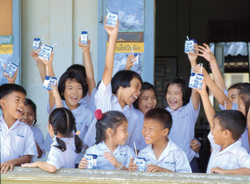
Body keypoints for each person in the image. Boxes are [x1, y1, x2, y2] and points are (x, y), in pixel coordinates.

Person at [84, 17, 142, 148]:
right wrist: (113, 36)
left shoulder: (133, 117)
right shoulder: (105, 99)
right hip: (94, 159)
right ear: (121, 85)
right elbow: (108, 68)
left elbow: (133, 145)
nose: (138, 93)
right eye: (136, 87)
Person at [41, 53, 94, 165]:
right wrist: (49, 64)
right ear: (61, 91)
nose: (75, 92)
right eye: (70, 88)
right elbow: (52, 87)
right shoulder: (56, 106)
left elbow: (91, 142)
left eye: (79, 88)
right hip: (56, 161)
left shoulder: (88, 114)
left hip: (79, 163)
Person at [196, 81, 250, 174]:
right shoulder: (217, 145)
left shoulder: (239, 152)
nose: (211, 131)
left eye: (214, 128)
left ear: (226, 133)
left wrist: (225, 172)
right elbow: (210, 118)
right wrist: (203, 93)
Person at [128, 108, 191, 173]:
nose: (145, 132)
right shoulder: (143, 154)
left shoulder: (177, 154)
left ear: (164, 132)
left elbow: (187, 179)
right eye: (144, 127)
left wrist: (164, 171)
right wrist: (133, 170)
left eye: (150, 129)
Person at [22, 108, 82, 172]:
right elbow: (65, 118)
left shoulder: (56, 147)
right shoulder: (73, 141)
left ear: (51, 127)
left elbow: (52, 168)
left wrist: (37, 163)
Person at [197, 43, 250, 110]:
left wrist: (205, 76)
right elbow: (221, 90)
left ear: (245, 98)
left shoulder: (238, 109)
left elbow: (223, 101)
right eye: (228, 98)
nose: (229, 100)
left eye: (233, 97)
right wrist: (212, 61)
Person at [165, 77, 200, 172]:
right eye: (169, 93)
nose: (172, 97)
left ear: (184, 95)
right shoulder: (162, 114)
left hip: (189, 163)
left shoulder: (190, 111)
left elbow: (196, 90)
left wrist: (193, 63)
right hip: (168, 164)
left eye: (176, 93)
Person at [0, 84, 37, 174]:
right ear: (3, 103)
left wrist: (12, 162)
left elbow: (28, 157)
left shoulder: (26, 129)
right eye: (17, 100)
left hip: (18, 175)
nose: (22, 105)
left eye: (23, 102)